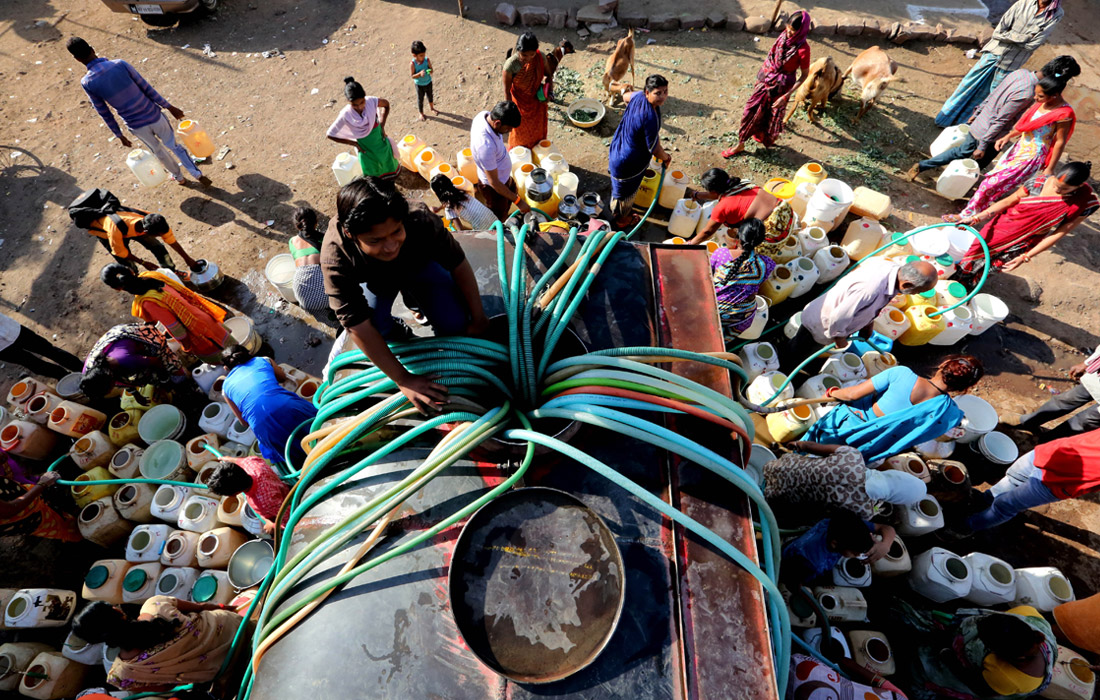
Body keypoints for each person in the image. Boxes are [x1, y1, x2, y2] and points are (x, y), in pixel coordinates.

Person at [321, 178, 489, 413]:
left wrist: (479, 318)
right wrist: (403, 379)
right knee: (379, 328)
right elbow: (356, 323)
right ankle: (402, 336)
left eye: (396, 232)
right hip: (376, 279)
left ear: (403, 221)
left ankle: (434, 324)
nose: (390, 246)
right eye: (375, 240)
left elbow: (458, 264)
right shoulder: (335, 256)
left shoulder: (418, 218)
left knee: (455, 324)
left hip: (420, 266)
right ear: (351, 234)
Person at [908, 56, 1079, 181]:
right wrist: (983, 145)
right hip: (989, 133)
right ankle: (945, 179)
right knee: (973, 165)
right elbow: (1002, 119)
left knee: (960, 152)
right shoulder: (1028, 93)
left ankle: (924, 166)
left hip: (979, 122)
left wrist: (976, 113)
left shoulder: (1020, 73)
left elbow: (993, 94)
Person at [66, 37, 209, 186]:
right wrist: (169, 107)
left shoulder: (87, 83)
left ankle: (179, 178)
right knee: (173, 145)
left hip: (136, 126)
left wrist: (119, 134)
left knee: (158, 151)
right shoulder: (120, 64)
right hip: (154, 115)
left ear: (77, 59)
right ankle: (196, 173)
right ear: (92, 49)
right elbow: (146, 88)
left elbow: (104, 112)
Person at [804, 356, 984, 464]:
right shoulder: (949, 415)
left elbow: (851, 395)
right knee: (822, 468)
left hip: (843, 428)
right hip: (867, 448)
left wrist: (834, 392)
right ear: (963, 388)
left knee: (803, 451)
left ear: (944, 364)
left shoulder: (901, 374)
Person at [952, 74, 1076, 220]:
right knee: (994, 182)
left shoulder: (1063, 114)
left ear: (1054, 96)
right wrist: (1007, 137)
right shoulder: (1042, 103)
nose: (1035, 98)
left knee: (990, 184)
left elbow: (1060, 142)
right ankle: (975, 209)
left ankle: (966, 215)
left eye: (1040, 96)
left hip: (1031, 156)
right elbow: (1028, 125)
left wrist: (1049, 169)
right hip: (1019, 148)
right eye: (1035, 94)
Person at [954, 161, 1097, 286]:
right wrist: (977, 217)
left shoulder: (1085, 203)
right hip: (1001, 227)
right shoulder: (1037, 183)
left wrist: (1025, 256)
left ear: (1078, 187)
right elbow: (1009, 200)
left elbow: (1059, 233)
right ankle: (953, 280)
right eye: (1056, 184)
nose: (1057, 190)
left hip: (1024, 242)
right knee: (972, 256)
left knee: (992, 267)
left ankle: (966, 288)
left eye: (1065, 189)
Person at [935, 0, 1065, 128]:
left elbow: (1032, 45)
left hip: (1011, 63)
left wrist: (1009, 36)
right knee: (967, 87)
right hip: (993, 53)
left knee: (990, 99)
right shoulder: (1023, 3)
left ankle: (965, 127)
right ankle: (944, 119)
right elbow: (998, 33)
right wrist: (1024, 37)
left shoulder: (1056, 14)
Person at [72, 598, 242, 693]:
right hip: (240, 627)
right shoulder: (155, 605)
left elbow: (167, 687)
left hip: (231, 670)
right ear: (117, 611)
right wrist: (230, 608)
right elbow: (203, 607)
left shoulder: (121, 675)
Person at [790, 258, 938, 360]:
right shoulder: (871, 289)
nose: (916, 295)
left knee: (800, 346)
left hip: (830, 319)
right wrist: (840, 338)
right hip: (821, 324)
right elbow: (839, 317)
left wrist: (868, 324)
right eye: (917, 292)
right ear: (906, 285)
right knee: (799, 352)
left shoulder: (893, 271)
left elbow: (866, 307)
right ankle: (783, 367)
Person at [901, 604, 1055, 700]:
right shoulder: (1029, 614)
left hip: (988, 686)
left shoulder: (1006, 676)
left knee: (923, 672)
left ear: (1000, 653)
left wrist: (949, 659)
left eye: (984, 640)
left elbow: (981, 689)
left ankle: (922, 691)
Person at [964, 428, 1100, 532]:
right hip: (1049, 452)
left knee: (1004, 507)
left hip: (1056, 482)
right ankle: (984, 500)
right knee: (1012, 478)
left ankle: (963, 528)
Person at [722, 10, 811, 157]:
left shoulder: (803, 50)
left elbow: (804, 76)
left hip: (781, 89)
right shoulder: (783, 37)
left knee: (772, 117)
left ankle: (765, 137)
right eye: (788, 29)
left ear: (801, 32)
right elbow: (771, 58)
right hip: (766, 81)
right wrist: (764, 76)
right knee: (749, 112)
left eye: (792, 32)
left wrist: (785, 96)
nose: (788, 33)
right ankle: (740, 144)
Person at [764, 442, 927, 521]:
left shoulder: (854, 457)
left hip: (777, 466)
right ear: (896, 499)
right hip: (774, 498)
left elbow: (811, 447)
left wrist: (798, 444)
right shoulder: (864, 511)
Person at [100, 264, 231, 362]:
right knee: (235, 351)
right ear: (130, 270)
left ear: (116, 288)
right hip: (204, 316)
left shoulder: (148, 301)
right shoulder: (151, 275)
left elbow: (177, 329)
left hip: (199, 333)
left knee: (226, 360)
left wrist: (186, 346)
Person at [219, 344, 317, 467]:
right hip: (288, 406)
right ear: (248, 353)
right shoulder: (263, 360)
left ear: (226, 368)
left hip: (262, 426)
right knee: (320, 429)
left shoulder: (225, 388)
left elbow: (244, 422)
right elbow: (282, 377)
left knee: (297, 458)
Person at [80, 324, 207, 410]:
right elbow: (121, 382)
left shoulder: (126, 361)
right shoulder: (91, 373)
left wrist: (165, 379)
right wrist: (136, 395)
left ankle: (186, 384)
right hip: (116, 348)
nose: (111, 391)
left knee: (170, 366)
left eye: (109, 389)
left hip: (136, 336)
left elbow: (156, 362)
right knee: (147, 377)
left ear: (110, 380)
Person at [607, 75, 671, 230]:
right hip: (629, 162)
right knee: (627, 195)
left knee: (619, 189)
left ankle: (616, 210)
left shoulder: (637, 97)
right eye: (658, 93)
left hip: (617, 149)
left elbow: (626, 96)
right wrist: (666, 157)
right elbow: (655, 149)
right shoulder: (649, 117)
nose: (662, 97)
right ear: (647, 92)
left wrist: (620, 87)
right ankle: (622, 220)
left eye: (665, 91)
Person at [1011, 332, 1100, 438]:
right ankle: (1028, 422)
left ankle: (1047, 442)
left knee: (1084, 421)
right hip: (1097, 379)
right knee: (1065, 400)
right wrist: (1087, 363)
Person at [686, 169, 795, 254]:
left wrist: (690, 244)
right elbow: (719, 194)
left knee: (753, 253)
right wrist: (698, 195)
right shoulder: (742, 184)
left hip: (774, 228)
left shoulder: (722, 208)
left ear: (713, 190)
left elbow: (707, 232)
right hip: (786, 211)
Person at [780, 509, 896, 586]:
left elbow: (887, 528)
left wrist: (885, 545)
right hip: (793, 565)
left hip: (795, 547)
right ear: (835, 544)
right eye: (854, 553)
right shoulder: (814, 564)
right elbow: (794, 581)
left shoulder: (839, 525)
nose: (856, 556)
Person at [710, 219, 775, 345]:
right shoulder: (767, 264)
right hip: (742, 315)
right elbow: (757, 288)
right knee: (719, 342)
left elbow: (708, 279)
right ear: (760, 241)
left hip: (715, 310)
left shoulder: (720, 254)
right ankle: (718, 347)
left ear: (738, 236)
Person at [326, 77, 401, 180]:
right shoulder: (346, 114)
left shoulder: (371, 102)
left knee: (387, 161)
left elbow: (386, 105)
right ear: (348, 102)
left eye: (362, 102)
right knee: (372, 171)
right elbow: (330, 134)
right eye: (354, 105)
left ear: (365, 97)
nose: (360, 107)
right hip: (365, 148)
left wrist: (382, 125)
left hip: (379, 140)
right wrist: (354, 144)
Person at [86, 208, 202, 274]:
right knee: (126, 263)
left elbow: (170, 239)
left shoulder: (149, 218)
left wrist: (188, 259)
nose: (161, 236)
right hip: (106, 233)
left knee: (158, 248)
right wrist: (143, 263)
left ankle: (170, 273)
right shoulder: (114, 230)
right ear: (146, 232)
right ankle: (137, 280)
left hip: (129, 228)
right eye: (158, 235)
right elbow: (120, 252)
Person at [470, 101, 529, 220]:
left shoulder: (484, 116)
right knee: (499, 213)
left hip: (503, 178)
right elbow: (494, 183)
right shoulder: (485, 146)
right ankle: (500, 229)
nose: (510, 131)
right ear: (497, 123)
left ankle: (506, 213)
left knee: (511, 194)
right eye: (508, 128)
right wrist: (519, 201)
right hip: (493, 189)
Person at [207, 456, 290, 533]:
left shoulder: (262, 503)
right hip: (281, 487)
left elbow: (289, 518)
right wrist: (231, 459)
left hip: (286, 502)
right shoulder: (252, 464)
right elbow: (241, 461)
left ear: (233, 495)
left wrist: (271, 524)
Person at [0, 466, 80, 541]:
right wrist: (42, 484)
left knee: (58, 511)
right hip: (29, 518)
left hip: (32, 502)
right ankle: (81, 534)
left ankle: (70, 518)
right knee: (64, 527)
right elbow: (10, 509)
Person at [289, 207, 338, 328]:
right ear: (316, 222)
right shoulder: (324, 239)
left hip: (301, 294)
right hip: (322, 295)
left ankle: (332, 321)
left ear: (297, 225)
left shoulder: (292, 241)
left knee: (320, 309)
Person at [502, 32, 550, 149]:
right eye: (524, 55)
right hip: (519, 101)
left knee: (537, 130)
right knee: (519, 132)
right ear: (518, 50)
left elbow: (549, 75)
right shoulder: (510, 65)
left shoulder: (540, 57)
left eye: (532, 55)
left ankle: (537, 153)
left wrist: (549, 92)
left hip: (537, 101)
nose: (528, 59)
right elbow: (507, 91)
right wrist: (511, 111)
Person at [0, 313, 83, 379]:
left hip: (13, 330)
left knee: (48, 350)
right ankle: (66, 378)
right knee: (33, 364)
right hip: (3, 348)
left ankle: (82, 368)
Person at [429, 174, 499, 231]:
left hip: (484, 229)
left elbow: (460, 229)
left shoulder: (449, 209)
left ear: (437, 193)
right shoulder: (460, 191)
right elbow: (449, 201)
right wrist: (439, 208)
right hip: (494, 219)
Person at [410, 40, 437, 122]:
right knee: (420, 99)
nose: (423, 57)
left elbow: (431, 69)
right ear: (415, 55)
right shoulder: (412, 64)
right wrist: (419, 74)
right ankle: (421, 113)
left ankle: (432, 108)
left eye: (424, 54)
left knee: (430, 95)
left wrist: (430, 71)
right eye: (421, 55)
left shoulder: (426, 60)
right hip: (419, 84)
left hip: (428, 82)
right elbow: (412, 76)